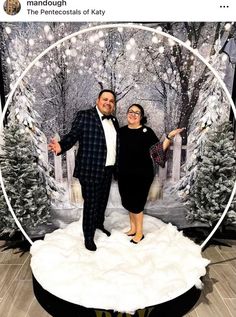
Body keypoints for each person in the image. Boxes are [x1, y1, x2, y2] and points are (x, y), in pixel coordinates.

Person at [48, 90, 119, 251]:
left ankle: (99, 224)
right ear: (98, 100)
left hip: (108, 169)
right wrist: (61, 145)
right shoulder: (85, 116)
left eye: (111, 101)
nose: (108, 103)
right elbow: (73, 135)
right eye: (105, 99)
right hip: (91, 169)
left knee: (102, 201)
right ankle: (88, 236)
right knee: (91, 204)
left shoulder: (114, 120)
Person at [118, 104, 183, 243]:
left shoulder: (147, 132)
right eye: (131, 111)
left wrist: (169, 137)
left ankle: (139, 233)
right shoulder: (121, 132)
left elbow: (158, 150)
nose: (133, 114)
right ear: (127, 114)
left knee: (137, 204)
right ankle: (133, 228)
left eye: (137, 113)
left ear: (141, 117)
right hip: (124, 173)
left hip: (142, 174)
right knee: (128, 201)